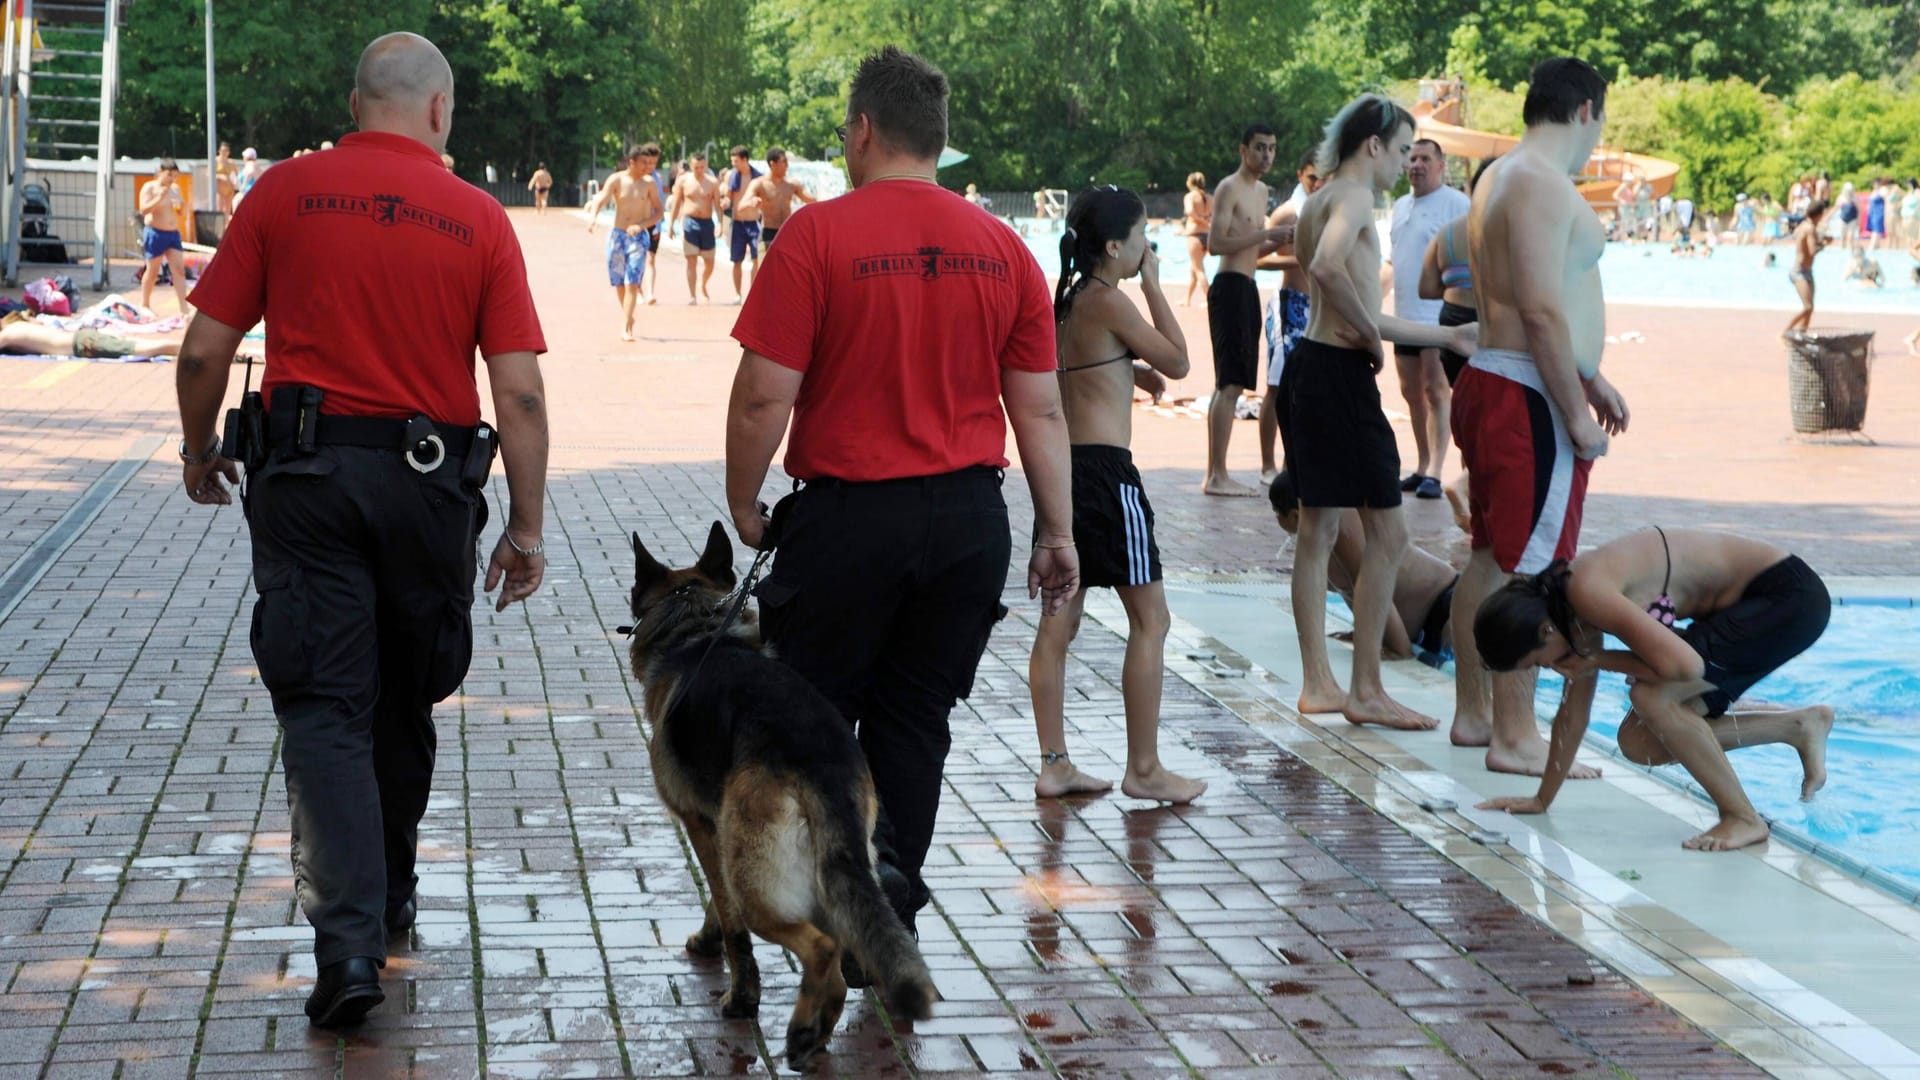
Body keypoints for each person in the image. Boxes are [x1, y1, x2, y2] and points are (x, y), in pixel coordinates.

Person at [170, 31, 549, 1029]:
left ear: (354, 101)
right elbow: (519, 390)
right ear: (438, 111)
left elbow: (206, 346)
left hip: (307, 481)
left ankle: (347, 952)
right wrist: (527, 527)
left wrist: (198, 448)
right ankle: (390, 901)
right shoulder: (479, 219)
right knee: (404, 695)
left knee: (326, 708)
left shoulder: (286, 195)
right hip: (428, 490)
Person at [725, 46, 1077, 970]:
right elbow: (1038, 404)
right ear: (939, 137)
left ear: (864, 131)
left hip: (848, 520)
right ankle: (891, 904)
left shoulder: (816, 236)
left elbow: (766, 393)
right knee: (916, 722)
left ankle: (823, 906)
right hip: (967, 521)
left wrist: (741, 496)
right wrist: (1059, 529)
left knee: (812, 721)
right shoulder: (1005, 248)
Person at [1448, 57, 1629, 776]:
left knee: (1491, 559)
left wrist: (1593, 377)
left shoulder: (1499, 176)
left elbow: (1538, 303)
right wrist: (1573, 412)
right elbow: (1542, 312)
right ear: (1586, 110)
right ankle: (1514, 735)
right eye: (1602, 121)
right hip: (1527, 396)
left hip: (1500, 378)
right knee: (1536, 571)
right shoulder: (1541, 184)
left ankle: (1474, 713)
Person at [1285, 93, 1475, 730]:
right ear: (1373, 145)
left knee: (1318, 534)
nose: (1403, 164)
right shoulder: (1355, 198)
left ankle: (1320, 683)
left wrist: (1445, 337)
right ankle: (1365, 688)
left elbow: (1349, 297)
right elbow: (1329, 267)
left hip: (1311, 370)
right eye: (1399, 150)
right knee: (1388, 534)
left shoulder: (1318, 199)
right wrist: (1370, 338)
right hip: (1339, 379)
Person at [1473, 529, 1833, 852]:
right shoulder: (1569, 607)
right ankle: (1797, 726)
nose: (1549, 667)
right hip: (1756, 607)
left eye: (1538, 662)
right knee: (1639, 742)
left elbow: (1685, 666)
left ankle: (1743, 817)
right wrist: (1542, 800)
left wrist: (1600, 659)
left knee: (1651, 698)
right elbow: (1572, 714)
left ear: (1545, 631)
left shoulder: (1586, 591)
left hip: (1786, 598)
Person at [1027, 187, 1206, 805]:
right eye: (1141, 239)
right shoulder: (1112, 298)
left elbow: (1075, 370)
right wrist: (1155, 283)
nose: (1146, 248)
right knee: (1151, 620)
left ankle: (1055, 763)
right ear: (1114, 246)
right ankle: (1145, 768)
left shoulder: (1069, 300)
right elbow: (1182, 362)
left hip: (1062, 472)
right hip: (1107, 475)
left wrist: (1131, 371)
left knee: (1059, 621)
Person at [1270, 472, 1457, 666]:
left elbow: (1370, 585)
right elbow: (1355, 590)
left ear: (1295, 515)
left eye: (1276, 513)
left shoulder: (1340, 521)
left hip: (1445, 604)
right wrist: (1364, 632)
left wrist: (1400, 649)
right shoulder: (1320, 534)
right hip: (1422, 624)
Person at [1203, 124, 1290, 497]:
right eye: (1260, 148)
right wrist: (1265, 235)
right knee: (1228, 383)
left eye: (1272, 149)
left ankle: (1219, 473)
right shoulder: (1229, 188)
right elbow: (1215, 243)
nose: (1266, 155)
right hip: (1228, 288)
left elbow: (1252, 253)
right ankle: (1215, 474)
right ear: (1243, 151)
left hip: (1248, 287)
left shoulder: (1262, 191)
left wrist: (1282, 241)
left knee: (1237, 383)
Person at [1389, 139, 1470, 499]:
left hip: (1438, 316)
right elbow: (1393, 261)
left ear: (1441, 165)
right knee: (1411, 393)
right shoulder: (1400, 206)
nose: (1416, 165)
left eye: (1424, 159)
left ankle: (1436, 471)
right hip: (1404, 313)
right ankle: (1421, 464)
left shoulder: (1457, 204)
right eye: (1411, 159)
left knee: (1437, 391)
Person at [1257, 149, 1320, 484]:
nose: (1318, 183)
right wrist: (1300, 260)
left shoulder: (1322, 210)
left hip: (1316, 307)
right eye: (1312, 177)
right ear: (1300, 175)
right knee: (1277, 385)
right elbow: (1255, 258)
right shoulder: (1287, 214)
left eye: (1324, 177)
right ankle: (1268, 464)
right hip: (1289, 303)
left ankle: (1290, 461)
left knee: (1306, 386)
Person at [584, 145, 666, 341]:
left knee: (632, 282)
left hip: (638, 239)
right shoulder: (617, 179)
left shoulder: (649, 184)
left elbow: (659, 212)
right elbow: (601, 199)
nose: (648, 166)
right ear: (632, 162)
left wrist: (642, 225)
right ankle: (628, 316)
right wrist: (593, 217)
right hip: (617, 236)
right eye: (643, 163)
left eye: (650, 162)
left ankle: (626, 327)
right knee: (619, 282)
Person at [138, 158, 191, 314]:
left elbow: (181, 211)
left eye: (175, 176)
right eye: (169, 175)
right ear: (160, 172)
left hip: (173, 234)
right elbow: (143, 210)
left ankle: (184, 309)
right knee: (153, 271)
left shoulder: (175, 188)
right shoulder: (150, 187)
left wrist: (182, 206)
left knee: (179, 270)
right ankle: (145, 304)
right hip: (155, 232)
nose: (172, 179)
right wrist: (158, 198)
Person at [0, 313, 180, 359]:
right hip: (82, 337)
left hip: (82, 343)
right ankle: (180, 347)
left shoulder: (9, 333)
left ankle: (182, 349)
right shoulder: (19, 325)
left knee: (138, 349)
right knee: (135, 344)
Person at [668, 152, 720, 303]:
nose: (699, 170)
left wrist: (721, 224)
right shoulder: (683, 181)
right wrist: (671, 225)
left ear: (706, 166)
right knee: (691, 260)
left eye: (702, 167)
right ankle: (692, 295)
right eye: (696, 167)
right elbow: (677, 203)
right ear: (691, 166)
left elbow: (717, 205)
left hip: (707, 223)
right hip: (690, 222)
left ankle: (702, 284)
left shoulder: (712, 182)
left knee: (709, 261)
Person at [740, 146, 815, 250]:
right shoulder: (759, 184)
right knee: (765, 266)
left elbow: (811, 200)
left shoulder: (791, 185)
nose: (787, 166)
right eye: (784, 162)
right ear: (772, 164)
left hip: (787, 233)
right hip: (768, 234)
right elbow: (741, 206)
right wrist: (751, 202)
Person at [718, 145, 764, 302]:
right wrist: (725, 202)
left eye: (736, 161)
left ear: (745, 160)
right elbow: (728, 197)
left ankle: (753, 293)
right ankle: (738, 294)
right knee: (736, 260)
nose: (734, 164)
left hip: (754, 224)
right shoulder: (732, 176)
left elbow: (764, 198)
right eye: (732, 161)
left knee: (757, 259)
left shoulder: (757, 178)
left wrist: (758, 201)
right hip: (738, 223)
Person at [1784, 199, 1830, 336]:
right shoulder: (1809, 228)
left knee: (1810, 309)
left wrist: (1821, 241)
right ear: (1818, 214)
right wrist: (1824, 244)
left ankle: (1801, 336)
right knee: (1808, 307)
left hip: (1806, 270)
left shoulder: (1805, 225)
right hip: (1800, 272)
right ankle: (1786, 332)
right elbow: (1812, 250)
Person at [1181, 172, 1212, 306]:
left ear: (1190, 183)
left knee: (1199, 270)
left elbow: (1189, 212)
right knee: (1194, 269)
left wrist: (1201, 220)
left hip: (1195, 236)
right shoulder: (1210, 197)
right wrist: (1207, 222)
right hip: (1207, 236)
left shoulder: (1190, 196)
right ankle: (1187, 299)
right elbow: (1215, 215)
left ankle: (1211, 300)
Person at [235, 147, 262, 212]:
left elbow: (250, 172)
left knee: (236, 201)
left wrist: (243, 186)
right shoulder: (256, 166)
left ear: (246, 157)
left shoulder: (250, 164)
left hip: (248, 193)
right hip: (254, 193)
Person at [214, 142, 238, 216]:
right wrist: (220, 176)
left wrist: (235, 182)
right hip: (219, 190)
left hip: (229, 190)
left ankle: (227, 226)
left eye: (226, 151)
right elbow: (209, 174)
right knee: (219, 211)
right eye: (223, 150)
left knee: (227, 211)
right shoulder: (215, 161)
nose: (224, 153)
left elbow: (235, 175)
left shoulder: (231, 162)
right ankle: (219, 227)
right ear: (219, 151)